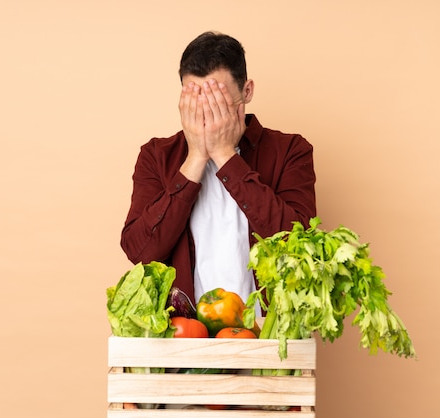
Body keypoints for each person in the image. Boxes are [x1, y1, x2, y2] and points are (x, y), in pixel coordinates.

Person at [120, 31, 316, 305]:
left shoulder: (290, 151)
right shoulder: (156, 156)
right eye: (199, 102)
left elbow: (300, 244)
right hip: (185, 334)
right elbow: (140, 250)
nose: (209, 114)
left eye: (218, 102)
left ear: (246, 92)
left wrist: (225, 155)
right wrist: (196, 157)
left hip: (269, 335)